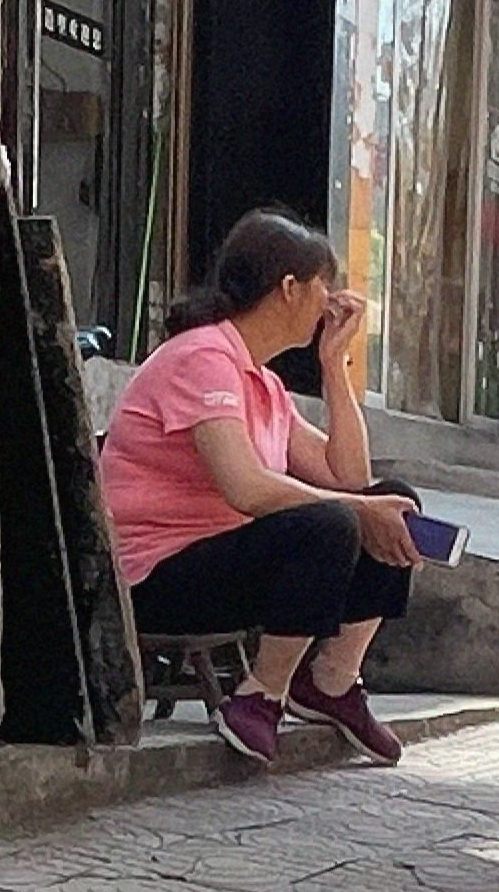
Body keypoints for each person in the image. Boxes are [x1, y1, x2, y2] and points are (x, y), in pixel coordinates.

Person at [96, 208, 424, 767]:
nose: (331, 301)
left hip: (221, 563)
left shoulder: (263, 382)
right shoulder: (203, 357)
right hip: (154, 575)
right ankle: (259, 696)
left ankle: (331, 681)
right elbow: (245, 488)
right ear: (290, 289)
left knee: (393, 503)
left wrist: (334, 369)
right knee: (333, 522)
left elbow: (349, 477)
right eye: (325, 285)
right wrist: (357, 507)